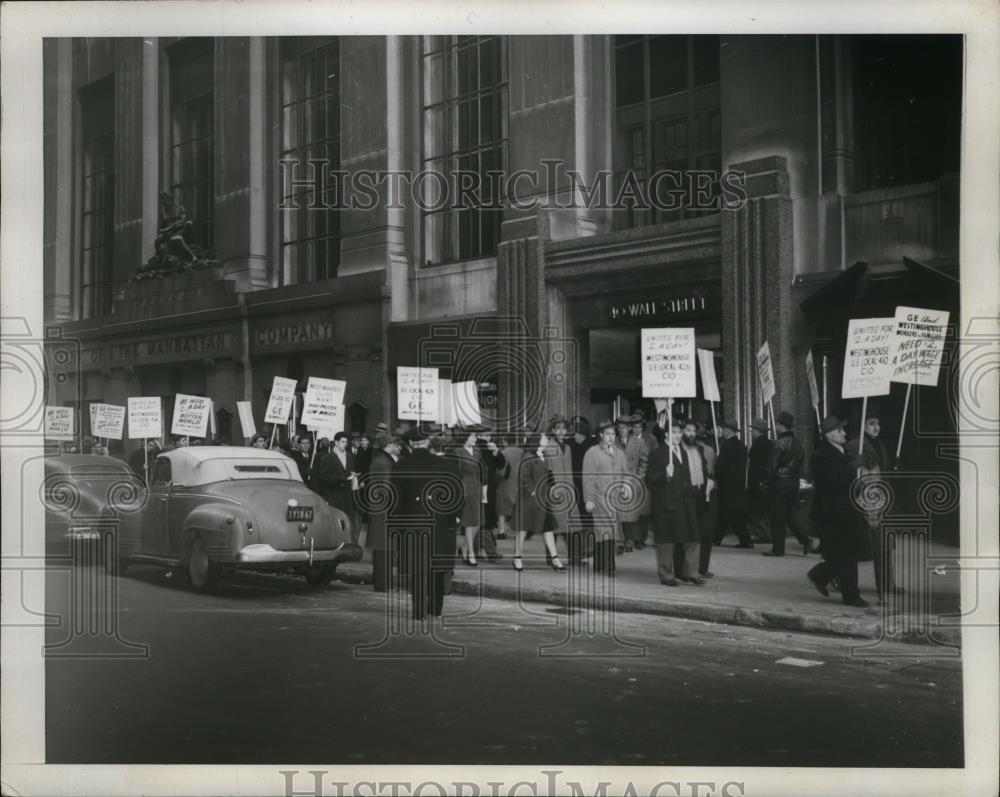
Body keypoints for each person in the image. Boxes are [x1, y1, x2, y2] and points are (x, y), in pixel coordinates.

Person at [390, 427, 462, 620]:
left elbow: (395, 501)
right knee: (436, 567)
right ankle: (436, 608)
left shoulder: (400, 466)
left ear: (410, 444)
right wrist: (453, 517)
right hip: (439, 523)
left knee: (417, 569)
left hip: (411, 523)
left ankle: (419, 610)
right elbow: (456, 495)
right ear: (427, 442)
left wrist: (397, 524)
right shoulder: (446, 465)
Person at [807, 415, 872, 607]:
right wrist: (853, 466)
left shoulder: (843, 451)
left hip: (847, 509)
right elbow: (832, 481)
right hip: (833, 512)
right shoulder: (821, 455)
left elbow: (846, 480)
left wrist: (858, 483)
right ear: (828, 435)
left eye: (843, 429)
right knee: (847, 555)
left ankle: (819, 575)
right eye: (839, 430)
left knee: (841, 554)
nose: (844, 433)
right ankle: (851, 595)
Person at [847, 411, 901, 600]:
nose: (876, 427)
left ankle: (887, 582)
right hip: (868, 502)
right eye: (871, 423)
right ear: (862, 426)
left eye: (878, 423)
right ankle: (832, 576)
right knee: (871, 545)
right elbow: (852, 472)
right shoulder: (856, 445)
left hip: (883, 499)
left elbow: (883, 469)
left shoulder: (880, 444)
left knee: (884, 543)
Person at [647, 419, 703, 586]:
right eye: (674, 432)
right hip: (667, 504)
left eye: (680, 432)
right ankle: (666, 575)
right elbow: (649, 478)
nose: (678, 436)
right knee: (666, 541)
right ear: (666, 434)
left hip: (686, 503)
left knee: (692, 537)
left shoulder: (683, 452)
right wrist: (665, 474)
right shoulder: (658, 453)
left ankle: (690, 572)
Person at [763, 411, 814, 557]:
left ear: (781, 425)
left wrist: (765, 482)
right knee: (790, 515)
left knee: (777, 517)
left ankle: (778, 549)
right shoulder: (798, 443)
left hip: (779, 482)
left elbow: (771, 466)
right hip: (793, 482)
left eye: (777, 423)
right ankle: (805, 540)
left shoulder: (779, 443)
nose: (775, 426)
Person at [582, 419, 627, 575]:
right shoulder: (592, 452)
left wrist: (625, 486)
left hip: (615, 501)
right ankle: (609, 566)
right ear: (601, 435)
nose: (610, 437)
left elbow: (625, 473)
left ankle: (600, 564)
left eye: (613, 434)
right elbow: (588, 477)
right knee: (605, 531)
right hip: (599, 499)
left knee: (608, 532)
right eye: (607, 434)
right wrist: (588, 499)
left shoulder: (620, 453)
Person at [514, 430, 563, 571]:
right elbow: (523, 476)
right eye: (544, 438)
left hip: (543, 499)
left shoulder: (545, 456)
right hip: (529, 499)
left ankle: (555, 559)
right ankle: (517, 558)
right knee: (522, 529)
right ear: (537, 441)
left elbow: (548, 475)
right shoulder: (528, 456)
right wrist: (532, 490)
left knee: (547, 528)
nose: (547, 440)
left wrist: (553, 487)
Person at [365, 433, 402, 592]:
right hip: (385, 510)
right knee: (384, 549)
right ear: (387, 446)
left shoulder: (380, 460)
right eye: (394, 444)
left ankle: (382, 582)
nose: (396, 446)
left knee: (382, 549)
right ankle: (383, 584)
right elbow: (388, 488)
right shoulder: (385, 462)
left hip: (379, 509)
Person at [449, 424, 488, 566]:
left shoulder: (477, 451)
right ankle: (471, 552)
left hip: (476, 486)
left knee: (477, 521)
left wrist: (484, 490)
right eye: (472, 436)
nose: (475, 438)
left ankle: (464, 546)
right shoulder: (457, 452)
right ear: (465, 438)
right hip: (464, 486)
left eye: (475, 436)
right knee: (468, 522)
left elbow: (481, 470)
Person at [680, 418, 716, 577]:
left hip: (703, 496)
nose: (692, 434)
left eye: (694, 431)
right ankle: (690, 569)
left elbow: (709, 471)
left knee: (705, 533)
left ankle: (701, 567)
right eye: (689, 431)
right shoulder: (678, 451)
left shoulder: (704, 450)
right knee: (690, 535)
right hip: (689, 496)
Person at [543, 414, 577, 565]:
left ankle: (574, 558)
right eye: (558, 429)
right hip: (555, 489)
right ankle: (551, 557)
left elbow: (569, 469)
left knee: (571, 524)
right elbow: (547, 470)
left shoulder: (568, 447)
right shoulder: (549, 446)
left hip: (568, 488)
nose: (561, 431)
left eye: (563, 428)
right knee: (555, 524)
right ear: (553, 430)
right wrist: (553, 487)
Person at [714, 419, 753, 549]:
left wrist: (716, 470)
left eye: (723, 429)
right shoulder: (742, 446)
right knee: (732, 515)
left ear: (727, 430)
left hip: (726, 485)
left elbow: (720, 468)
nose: (722, 431)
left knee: (727, 514)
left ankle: (718, 538)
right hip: (739, 485)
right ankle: (719, 538)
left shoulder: (725, 446)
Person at [316, 432, 357, 538]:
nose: (345, 444)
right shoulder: (327, 458)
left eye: (346, 442)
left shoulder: (349, 456)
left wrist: (354, 477)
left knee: (348, 522)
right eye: (342, 442)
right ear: (336, 442)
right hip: (334, 495)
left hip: (347, 495)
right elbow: (323, 477)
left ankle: (348, 542)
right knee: (337, 522)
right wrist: (339, 480)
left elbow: (351, 470)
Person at [567, 416, 597, 561]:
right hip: (574, 486)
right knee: (578, 518)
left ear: (583, 434)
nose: (574, 437)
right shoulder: (570, 444)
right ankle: (581, 548)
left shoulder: (592, 446)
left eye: (577, 434)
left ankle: (590, 547)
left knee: (588, 517)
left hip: (588, 486)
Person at [475, 426, 506, 562]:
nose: (488, 438)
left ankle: (472, 549)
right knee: (485, 520)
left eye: (489, 435)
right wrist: (496, 453)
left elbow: (500, 464)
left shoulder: (486, 448)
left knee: (480, 519)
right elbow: (501, 464)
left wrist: (496, 452)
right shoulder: (482, 449)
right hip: (486, 488)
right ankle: (490, 551)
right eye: (486, 435)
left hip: (484, 488)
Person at [618, 415, 648, 553]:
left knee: (631, 512)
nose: (621, 430)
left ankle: (629, 540)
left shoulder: (639, 442)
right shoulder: (614, 442)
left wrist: (639, 477)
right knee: (619, 512)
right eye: (619, 427)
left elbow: (644, 461)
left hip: (632, 480)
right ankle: (621, 540)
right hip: (617, 481)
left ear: (629, 428)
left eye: (624, 427)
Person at [744, 417, 772, 544]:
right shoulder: (769, 443)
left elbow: (755, 467)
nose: (751, 432)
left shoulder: (757, 445)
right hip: (767, 481)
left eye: (752, 430)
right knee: (764, 510)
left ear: (757, 430)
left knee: (756, 510)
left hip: (757, 482)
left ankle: (762, 534)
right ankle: (766, 533)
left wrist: (751, 483)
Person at [496, 430, 525, 542]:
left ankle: (501, 531)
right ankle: (521, 531)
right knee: (519, 508)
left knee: (502, 509)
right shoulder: (522, 452)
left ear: (505, 441)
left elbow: (499, 469)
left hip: (505, 483)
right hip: (520, 482)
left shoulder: (502, 453)